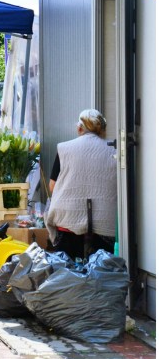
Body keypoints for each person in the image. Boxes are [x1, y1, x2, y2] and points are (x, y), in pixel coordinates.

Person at [45, 109, 116, 259]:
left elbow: (53, 186)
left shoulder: (64, 148)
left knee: (68, 268)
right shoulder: (113, 149)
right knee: (102, 268)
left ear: (79, 128)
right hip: (105, 222)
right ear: (102, 129)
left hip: (68, 220)